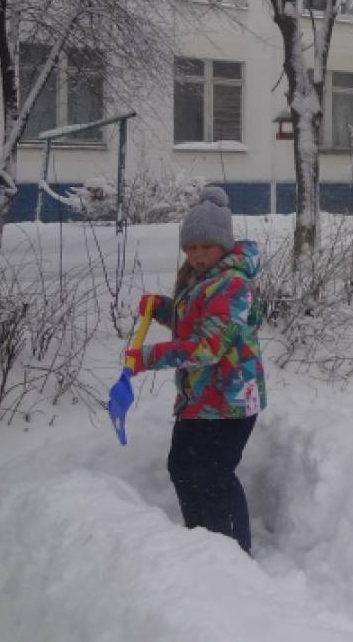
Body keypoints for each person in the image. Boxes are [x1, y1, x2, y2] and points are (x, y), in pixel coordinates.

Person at [132, 184, 265, 553]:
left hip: (230, 400)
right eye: (190, 248)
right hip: (199, 397)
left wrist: (148, 358)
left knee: (214, 476)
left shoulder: (233, 284)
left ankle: (233, 554)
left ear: (223, 244)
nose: (197, 254)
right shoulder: (203, 281)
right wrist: (163, 308)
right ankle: (200, 544)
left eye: (205, 246)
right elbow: (196, 324)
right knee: (182, 468)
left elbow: (208, 348)